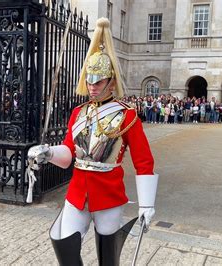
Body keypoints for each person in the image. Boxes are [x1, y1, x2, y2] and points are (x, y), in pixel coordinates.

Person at [27, 18, 158, 265]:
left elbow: (143, 160)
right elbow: (69, 153)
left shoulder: (126, 113)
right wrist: (48, 152)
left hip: (108, 193)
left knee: (108, 257)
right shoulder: (79, 112)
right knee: (63, 244)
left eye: (98, 81)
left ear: (111, 82)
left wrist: (147, 203)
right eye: (89, 80)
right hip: (78, 191)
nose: (92, 86)